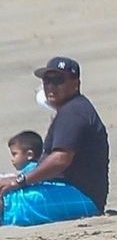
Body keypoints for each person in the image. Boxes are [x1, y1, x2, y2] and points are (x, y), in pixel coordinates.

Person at [0, 57, 109, 225]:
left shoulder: (74, 112)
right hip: (70, 190)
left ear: (76, 83)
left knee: (10, 202)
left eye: (58, 80)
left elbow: (60, 159)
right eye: (47, 81)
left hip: (81, 197)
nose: (50, 86)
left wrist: (20, 181)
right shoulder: (70, 109)